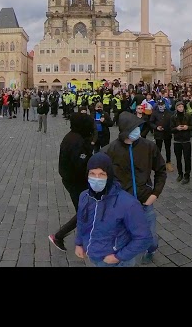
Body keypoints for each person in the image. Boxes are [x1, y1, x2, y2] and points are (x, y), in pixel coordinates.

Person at [102, 111, 167, 264]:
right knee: (126, 242)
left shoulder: (149, 147)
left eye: (139, 127)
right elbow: (101, 177)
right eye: (133, 129)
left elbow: (161, 171)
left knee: (149, 237)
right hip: (123, 206)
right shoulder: (109, 151)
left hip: (145, 203)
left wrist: (155, 194)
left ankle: (151, 248)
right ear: (124, 131)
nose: (138, 131)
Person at [74, 152, 153, 267]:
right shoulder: (84, 196)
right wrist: (79, 243)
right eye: (92, 173)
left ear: (109, 175)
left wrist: (118, 257)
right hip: (92, 256)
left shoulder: (128, 203)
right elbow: (81, 222)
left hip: (115, 261)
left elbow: (144, 237)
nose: (96, 178)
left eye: (101, 174)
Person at [48, 112, 94, 252]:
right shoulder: (76, 141)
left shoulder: (72, 136)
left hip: (71, 179)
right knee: (84, 212)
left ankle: (81, 239)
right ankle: (60, 236)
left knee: (84, 212)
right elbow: (81, 164)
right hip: (76, 182)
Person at [171, 100, 192, 184]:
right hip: (177, 140)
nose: (181, 108)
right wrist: (176, 128)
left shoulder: (188, 116)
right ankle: (180, 174)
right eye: (179, 107)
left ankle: (187, 175)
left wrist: (187, 127)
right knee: (178, 158)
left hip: (186, 140)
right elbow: (171, 129)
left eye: (182, 107)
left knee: (187, 159)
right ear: (176, 108)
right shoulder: (173, 117)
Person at [149, 99, 174, 173]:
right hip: (158, 134)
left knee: (167, 148)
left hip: (167, 133)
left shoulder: (169, 113)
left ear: (164, 105)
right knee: (158, 148)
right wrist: (156, 127)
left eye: (162, 105)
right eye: (159, 105)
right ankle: (158, 163)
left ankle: (168, 162)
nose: (161, 107)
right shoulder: (155, 113)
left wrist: (167, 128)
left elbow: (171, 123)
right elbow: (151, 122)